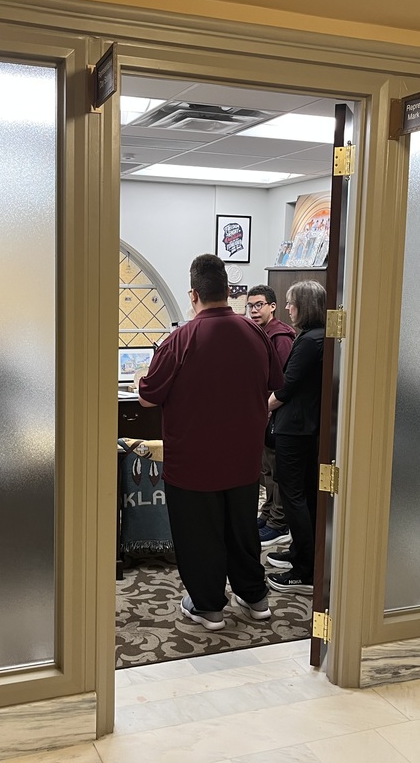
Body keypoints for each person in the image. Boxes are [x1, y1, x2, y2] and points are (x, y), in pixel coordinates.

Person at [138, 254, 284, 630]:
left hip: (194, 462)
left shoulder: (181, 339)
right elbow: (275, 383)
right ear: (229, 292)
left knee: (199, 536)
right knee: (242, 530)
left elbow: (148, 396)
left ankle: (208, 606)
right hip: (243, 459)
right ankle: (255, 598)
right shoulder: (256, 334)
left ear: (193, 294)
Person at [266, 280, 326, 595]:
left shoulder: (309, 341)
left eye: (291, 302)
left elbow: (286, 388)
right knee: (303, 493)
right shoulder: (315, 337)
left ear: (304, 304)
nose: (288, 308)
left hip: (295, 429)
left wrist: (262, 408)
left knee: (293, 495)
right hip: (306, 428)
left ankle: (305, 570)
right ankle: (302, 554)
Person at [246, 285, 296, 547]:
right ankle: (267, 515)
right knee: (266, 470)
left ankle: (278, 521)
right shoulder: (260, 333)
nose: (254, 310)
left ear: (272, 306)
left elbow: (282, 381)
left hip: (274, 412)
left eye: (259, 305)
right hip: (261, 412)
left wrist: (266, 408)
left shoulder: (280, 337)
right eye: (250, 306)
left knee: (276, 470)